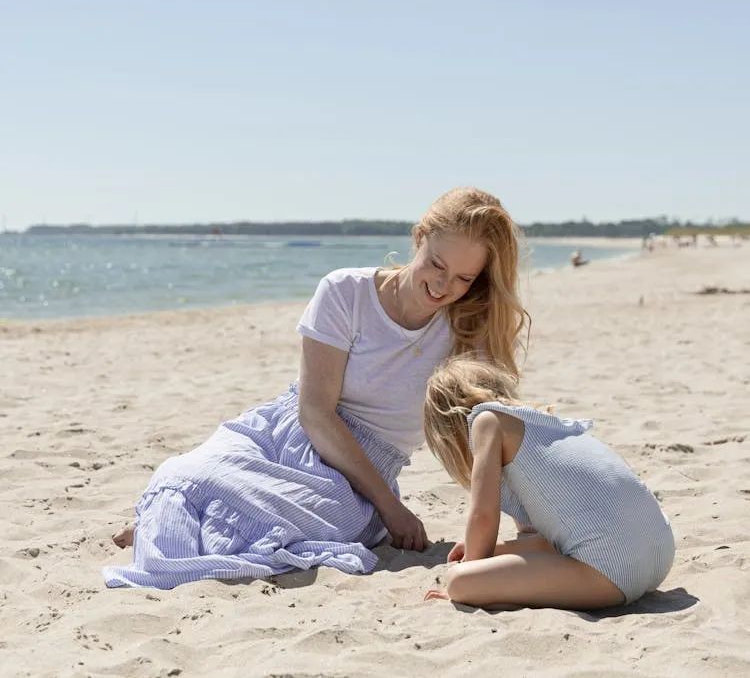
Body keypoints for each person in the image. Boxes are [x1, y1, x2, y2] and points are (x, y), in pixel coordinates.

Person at [104, 187, 529, 589]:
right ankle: (176, 521)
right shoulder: (346, 292)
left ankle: (177, 528)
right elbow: (315, 413)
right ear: (419, 237)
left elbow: (493, 434)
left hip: (360, 476)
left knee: (311, 521)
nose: (443, 286)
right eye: (436, 264)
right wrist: (391, 507)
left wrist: (530, 526)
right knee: (185, 474)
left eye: (463, 278)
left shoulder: (469, 330)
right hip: (290, 431)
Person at [422, 356, 675, 610]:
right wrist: (498, 550)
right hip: (660, 553)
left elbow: (483, 517)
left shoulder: (486, 421)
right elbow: (557, 536)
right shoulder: (538, 423)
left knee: (460, 582)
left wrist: (472, 569)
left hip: (613, 573)